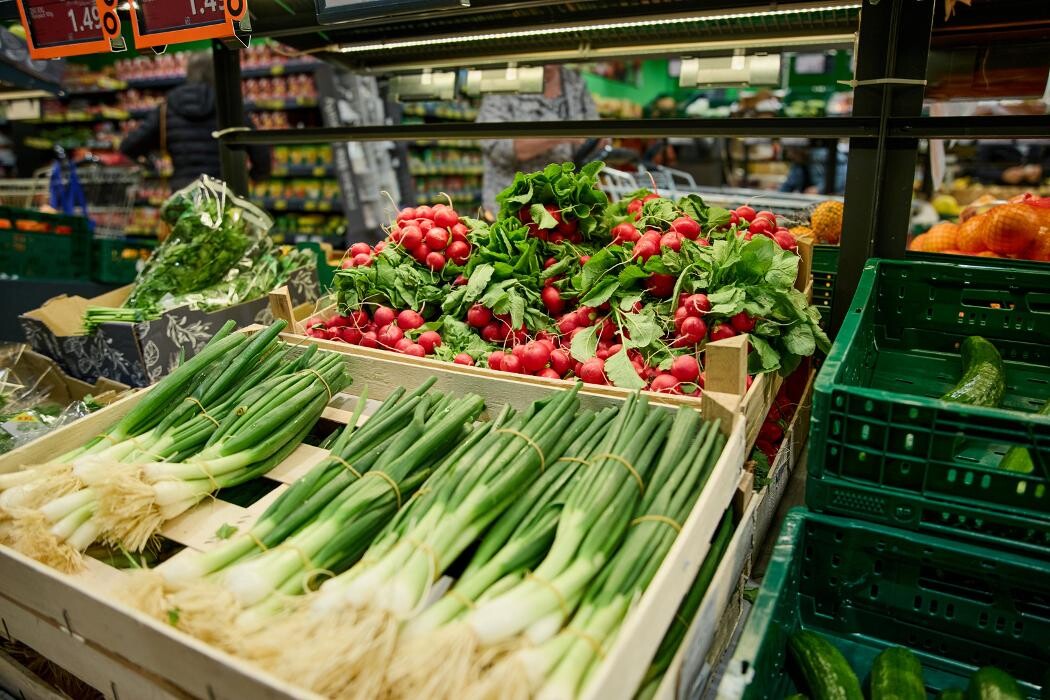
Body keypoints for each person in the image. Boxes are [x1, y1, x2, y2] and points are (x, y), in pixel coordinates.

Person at [121, 52, 270, 190]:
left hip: (184, 194)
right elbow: (260, 152)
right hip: (224, 191)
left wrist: (151, 163)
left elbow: (129, 145)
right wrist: (254, 177)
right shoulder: (228, 104)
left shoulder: (168, 107)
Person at [476, 65, 599, 216]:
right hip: (510, 209)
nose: (549, 64)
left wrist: (599, 142)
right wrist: (559, 135)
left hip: (560, 210)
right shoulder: (505, 78)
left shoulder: (574, 82)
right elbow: (497, 146)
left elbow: (593, 131)